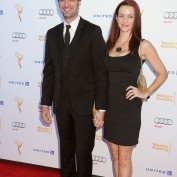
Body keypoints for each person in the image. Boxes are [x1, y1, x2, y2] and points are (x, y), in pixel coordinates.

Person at [93, 0, 168, 177]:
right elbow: (101, 80)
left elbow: (163, 73)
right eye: (122, 15)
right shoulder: (108, 45)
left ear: (136, 20)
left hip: (128, 109)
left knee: (124, 158)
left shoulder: (143, 45)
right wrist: (97, 108)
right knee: (115, 156)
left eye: (130, 16)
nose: (125, 20)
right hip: (110, 108)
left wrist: (146, 92)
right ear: (116, 18)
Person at [40, 0, 107, 177]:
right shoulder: (53, 34)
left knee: (84, 153)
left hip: (85, 106)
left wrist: (100, 107)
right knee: (66, 151)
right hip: (61, 105)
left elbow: (100, 73)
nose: (66, 3)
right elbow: (49, 72)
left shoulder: (93, 31)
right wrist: (45, 103)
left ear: (79, 2)